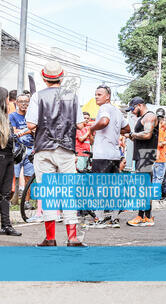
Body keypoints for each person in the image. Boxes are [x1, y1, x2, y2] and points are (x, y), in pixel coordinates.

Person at [25, 61, 86, 246]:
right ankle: (73, 238)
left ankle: (50, 238)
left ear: (44, 78)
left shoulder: (38, 96)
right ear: (61, 77)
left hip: (44, 148)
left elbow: (31, 125)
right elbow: (81, 124)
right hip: (67, 149)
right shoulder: (72, 96)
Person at [86, 85, 130, 228]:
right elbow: (128, 128)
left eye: (99, 94)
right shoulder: (117, 111)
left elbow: (104, 121)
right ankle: (113, 219)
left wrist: (92, 128)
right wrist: (115, 131)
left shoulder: (104, 108)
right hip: (114, 155)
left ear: (107, 97)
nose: (96, 96)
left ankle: (99, 219)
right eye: (95, 94)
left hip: (102, 154)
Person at [124, 97, 158, 227]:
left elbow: (147, 134)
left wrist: (133, 134)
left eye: (133, 109)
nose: (132, 112)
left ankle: (144, 217)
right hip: (142, 155)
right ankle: (144, 217)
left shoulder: (149, 117)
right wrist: (131, 136)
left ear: (139, 105)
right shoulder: (143, 118)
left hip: (146, 155)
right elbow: (142, 136)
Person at [0, 87, 22, 236]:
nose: (9, 101)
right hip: (1, 157)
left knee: (5, 194)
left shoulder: (6, 116)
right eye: (7, 98)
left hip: (8, 158)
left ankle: (6, 225)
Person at [9, 93, 34, 206]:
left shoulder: (32, 116)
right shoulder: (13, 116)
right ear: (16, 103)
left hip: (30, 149)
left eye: (26, 102)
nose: (24, 104)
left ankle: (26, 202)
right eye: (21, 102)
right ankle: (11, 201)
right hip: (17, 150)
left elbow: (36, 131)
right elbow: (14, 132)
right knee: (14, 175)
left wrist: (24, 131)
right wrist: (28, 130)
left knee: (28, 177)